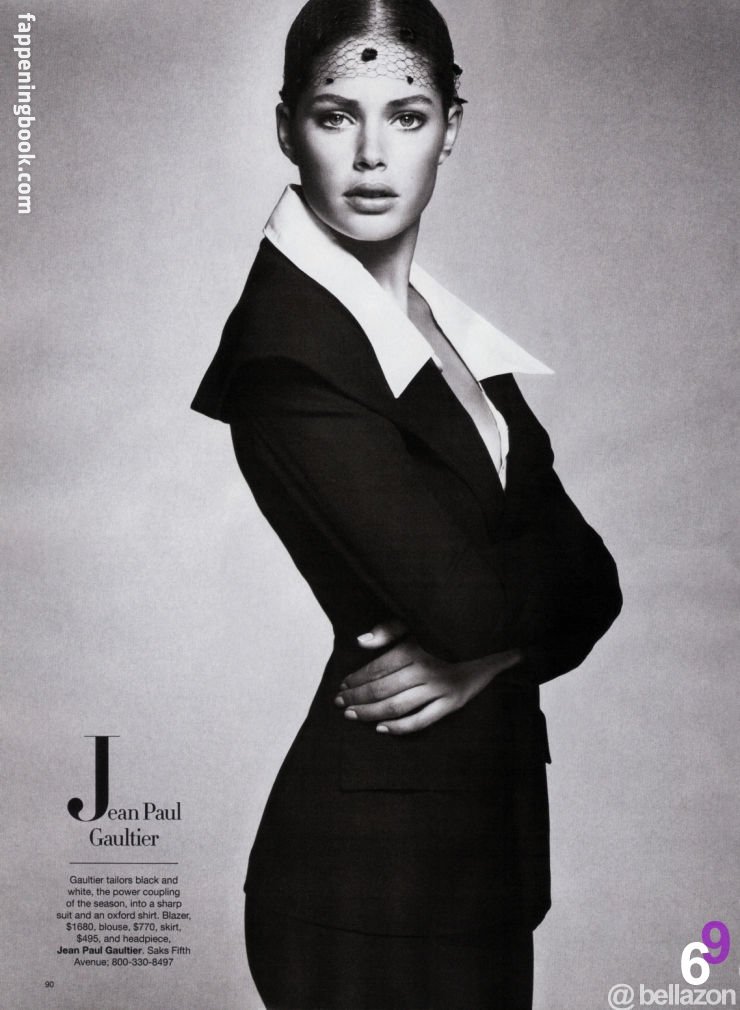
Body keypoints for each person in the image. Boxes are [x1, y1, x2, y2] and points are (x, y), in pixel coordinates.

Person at [191, 0, 622, 1006]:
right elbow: (470, 605)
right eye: (336, 115)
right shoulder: (291, 351)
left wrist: (495, 651)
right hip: (363, 877)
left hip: (477, 855)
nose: (372, 156)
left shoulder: (441, 325)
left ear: (450, 128)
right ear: (287, 127)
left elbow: (597, 581)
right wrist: (497, 629)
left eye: (408, 115)